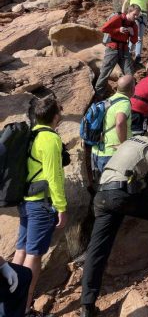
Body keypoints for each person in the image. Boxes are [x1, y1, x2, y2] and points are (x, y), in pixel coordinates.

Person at [81, 121, 148, 317]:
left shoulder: (131, 140)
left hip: (102, 194)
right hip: (122, 195)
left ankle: (87, 305)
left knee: (97, 250)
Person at [12, 97, 67, 316]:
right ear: (55, 116)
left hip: (26, 202)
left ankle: (10, 301)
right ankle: (23, 307)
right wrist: (61, 207)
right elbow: (54, 176)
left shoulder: (32, 133)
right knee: (33, 256)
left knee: (21, 251)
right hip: (41, 205)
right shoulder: (50, 138)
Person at [92, 75, 134, 178]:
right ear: (133, 89)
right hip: (111, 154)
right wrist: (123, 145)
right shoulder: (124, 103)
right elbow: (120, 122)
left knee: (102, 188)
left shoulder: (108, 101)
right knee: (115, 188)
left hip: (97, 152)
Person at [94, 5, 141, 98]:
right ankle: (98, 96)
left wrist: (132, 33)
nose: (135, 17)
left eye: (137, 16)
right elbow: (103, 29)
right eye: (134, 14)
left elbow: (134, 41)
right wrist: (118, 29)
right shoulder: (118, 18)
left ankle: (127, 96)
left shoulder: (134, 25)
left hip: (124, 50)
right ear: (129, 12)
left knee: (129, 74)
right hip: (112, 49)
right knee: (105, 73)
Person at [122, 0, 148, 67]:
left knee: (140, 37)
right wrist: (122, 14)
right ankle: (130, 54)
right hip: (134, 14)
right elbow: (126, 2)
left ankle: (137, 56)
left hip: (143, 16)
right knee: (133, 34)